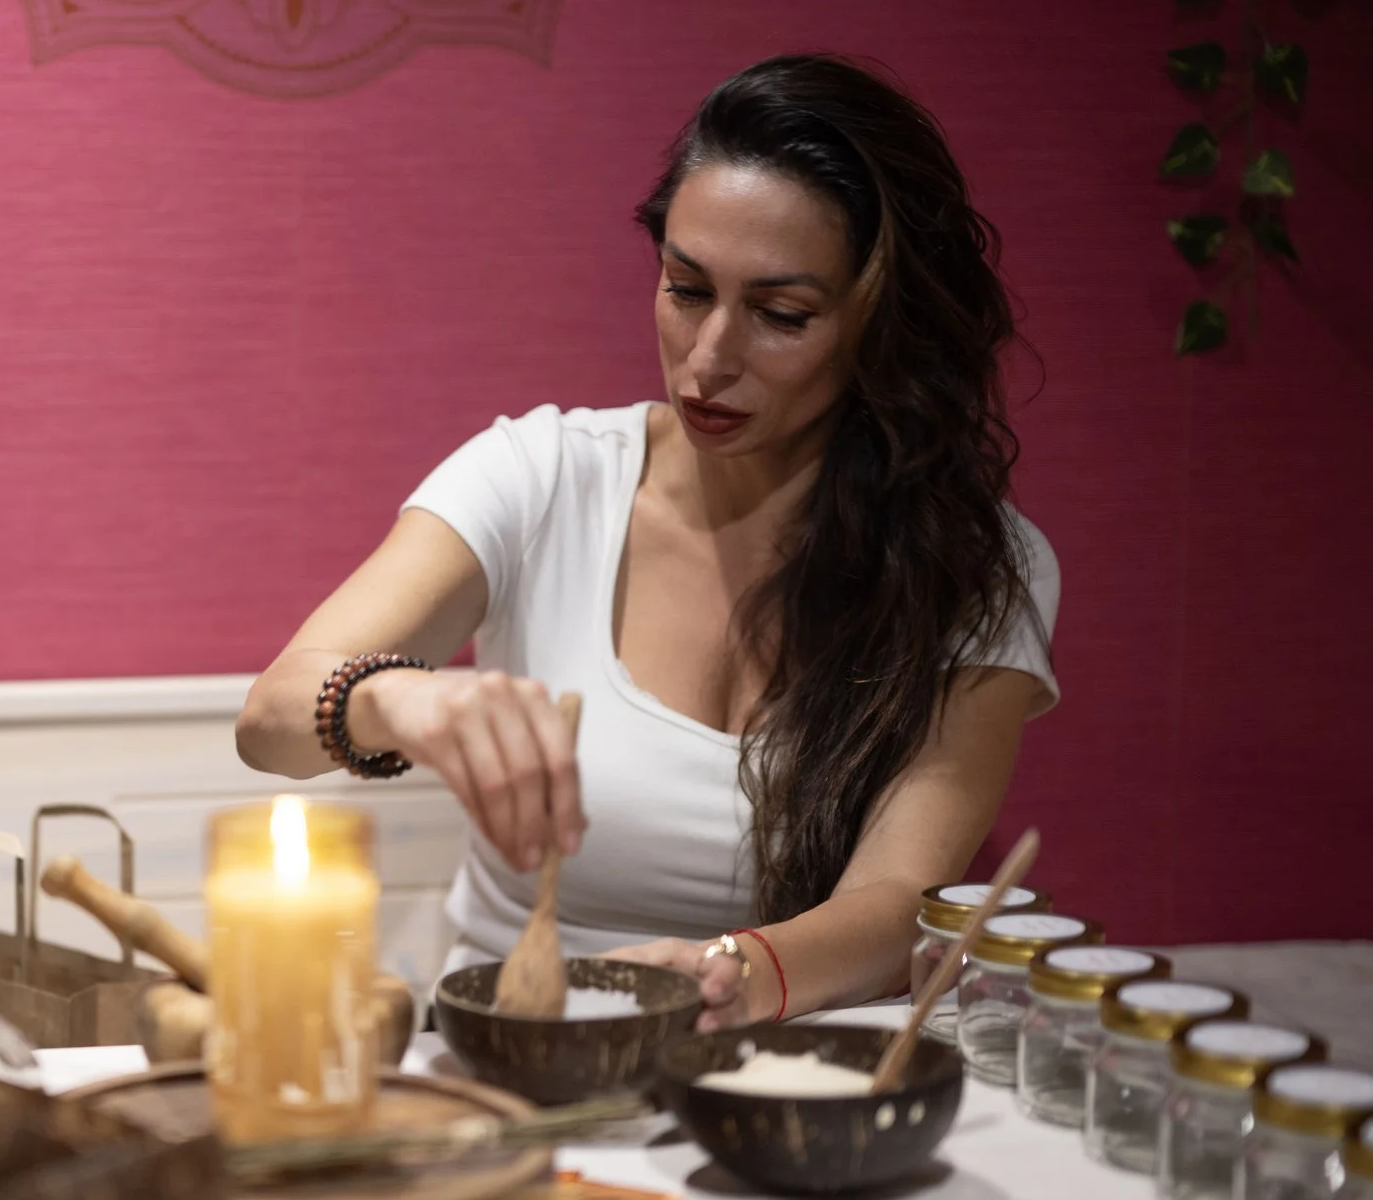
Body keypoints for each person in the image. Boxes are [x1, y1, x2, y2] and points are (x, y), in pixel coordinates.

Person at [237, 54, 1058, 1028]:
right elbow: (270, 719)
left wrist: (722, 974)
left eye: (781, 314)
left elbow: (896, 902)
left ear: (881, 326)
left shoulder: (975, 565)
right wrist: (396, 698)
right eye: (686, 288)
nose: (709, 358)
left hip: (786, 1061)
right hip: (517, 1049)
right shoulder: (543, 476)